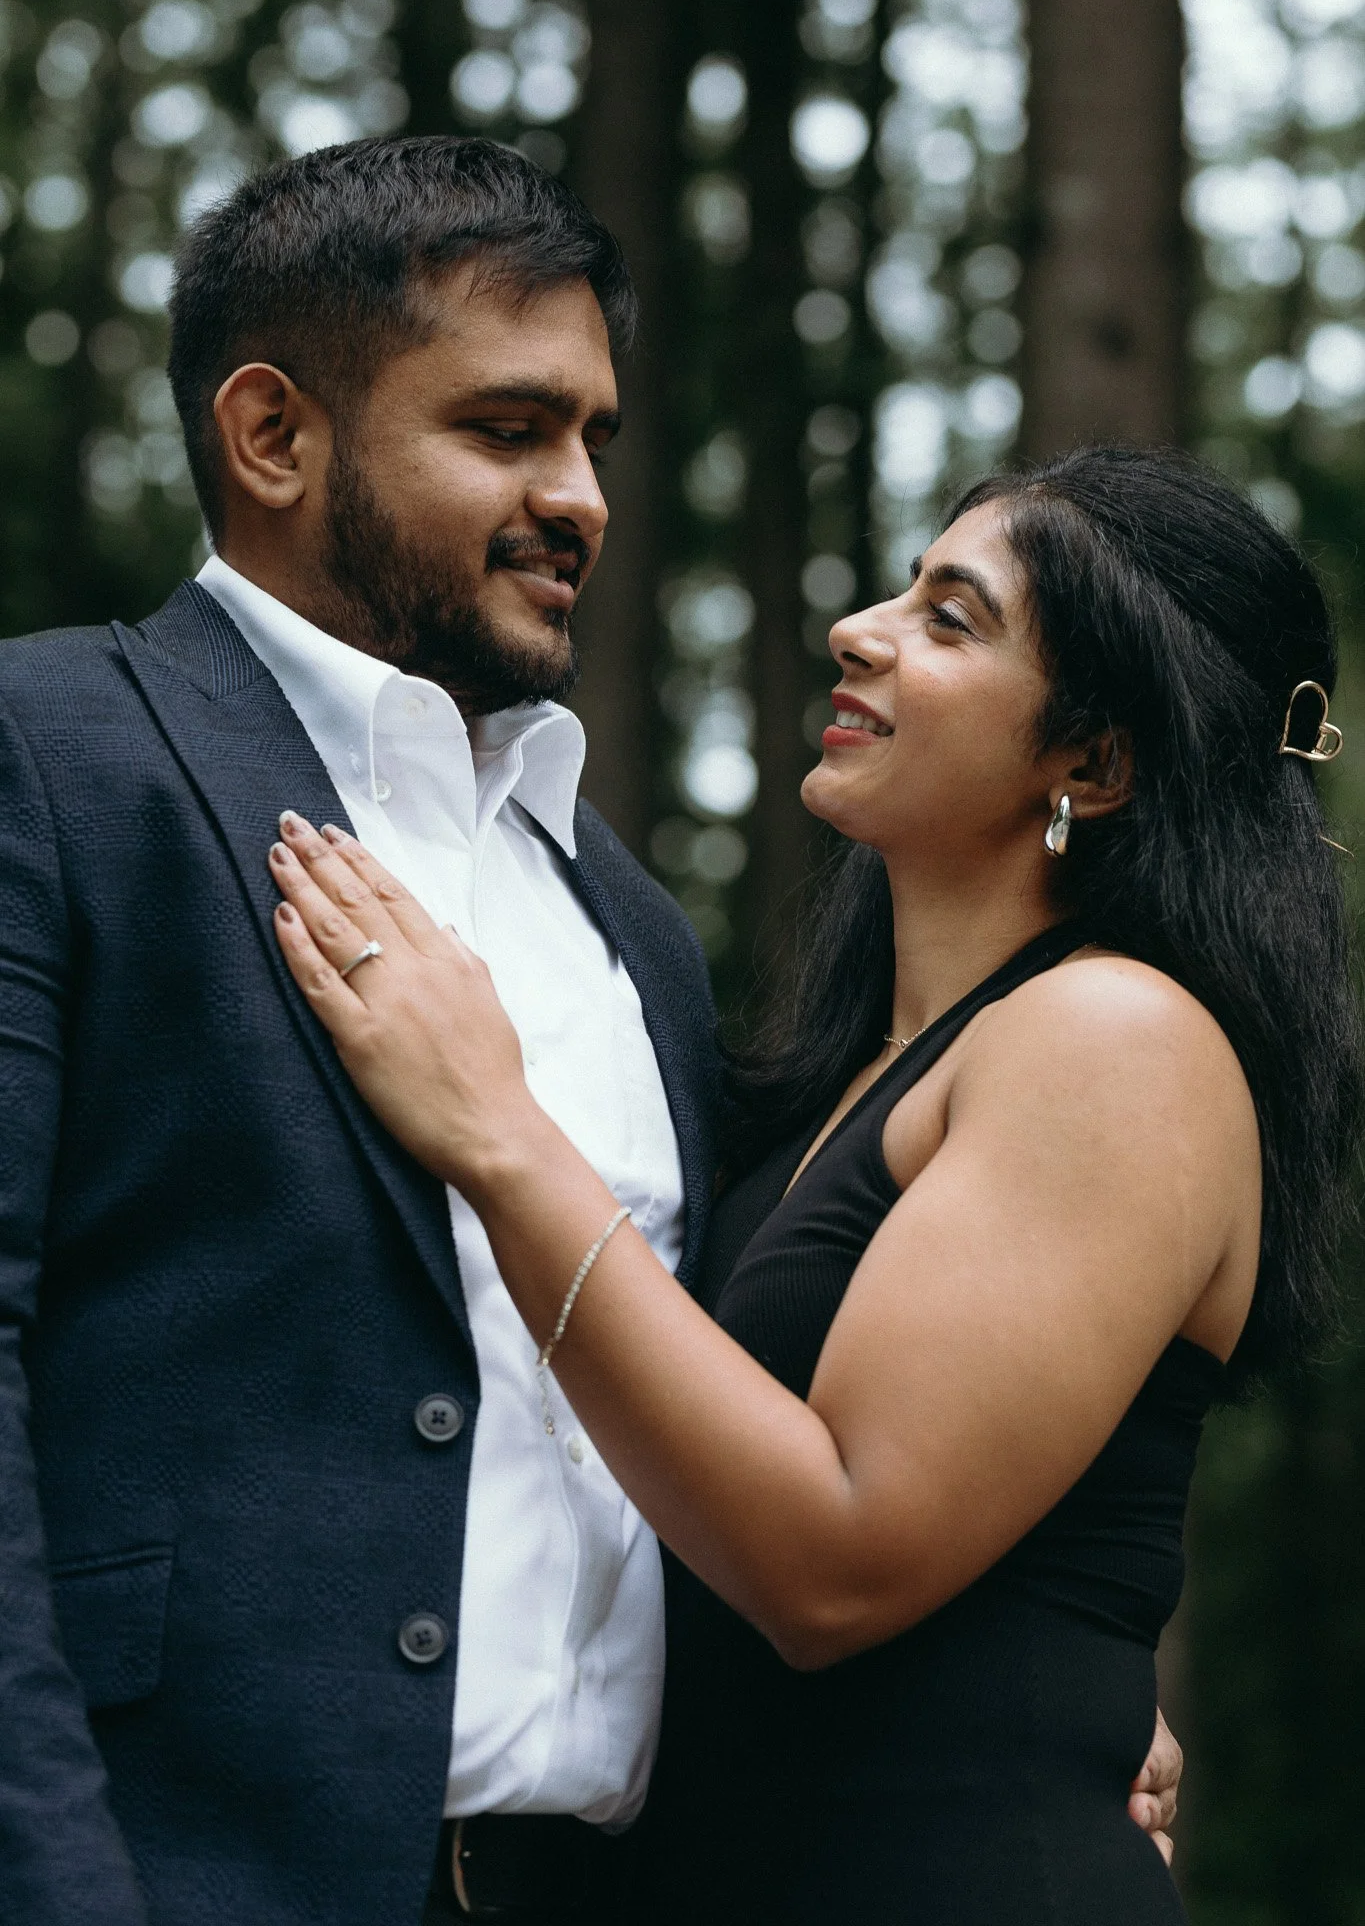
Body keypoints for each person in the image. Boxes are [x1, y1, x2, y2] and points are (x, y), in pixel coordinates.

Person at [0, 135, 1177, 1926]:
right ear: (273, 436)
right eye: (507, 429)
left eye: (597, 442)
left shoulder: (625, 921)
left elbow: (720, 1424)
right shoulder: (49, 754)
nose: (585, 496)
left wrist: (1003, 1682)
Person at [264, 445, 1361, 1924]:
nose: (863, 627)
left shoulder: (1116, 1039)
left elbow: (836, 1561)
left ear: (1091, 765)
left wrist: (498, 1134)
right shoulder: (845, 1080)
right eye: (905, 587)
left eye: (952, 618)